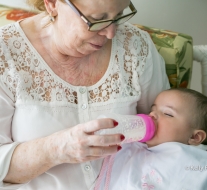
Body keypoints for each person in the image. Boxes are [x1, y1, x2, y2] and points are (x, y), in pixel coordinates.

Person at [0, 0, 170, 189]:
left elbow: (169, 133)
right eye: (97, 19)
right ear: (52, 4)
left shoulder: (136, 47)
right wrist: (57, 149)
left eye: (119, 15)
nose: (111, 33)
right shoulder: (5, 53)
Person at [94, 88, 207, 190]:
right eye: (152, 110)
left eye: (168, 114)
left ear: (194, 137)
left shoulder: (195, 166)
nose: (152, 114)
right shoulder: (134, 148)